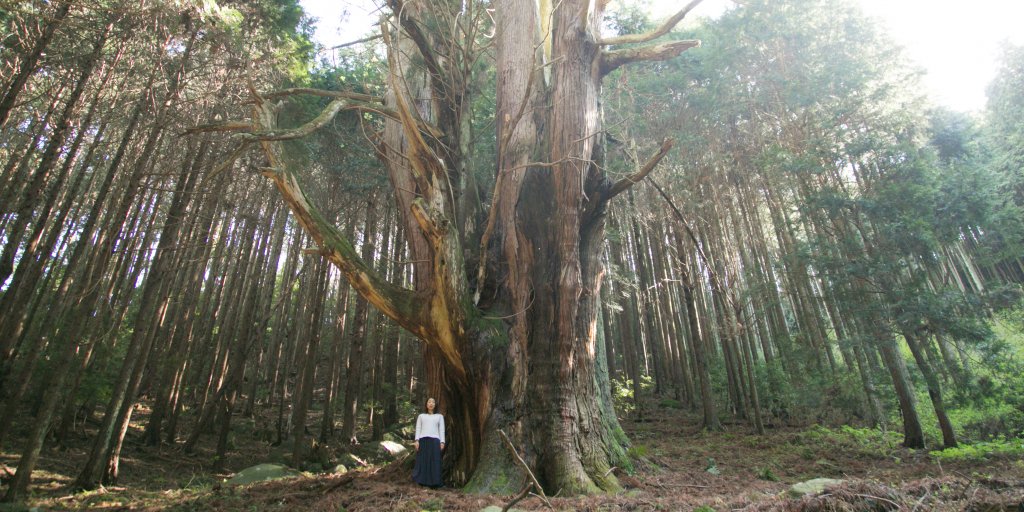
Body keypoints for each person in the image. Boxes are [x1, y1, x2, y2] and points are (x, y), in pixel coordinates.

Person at [412, 397, 445, 488]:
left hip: (435, 441)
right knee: (423, 461)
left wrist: (442, 442)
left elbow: (441, 430)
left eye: (433, 402)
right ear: (426, 404)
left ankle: (434, 482)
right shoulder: (421, 416)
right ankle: (422, 481)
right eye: (429, 402)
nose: (431, 404)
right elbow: (418, 428)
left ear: (435, 405)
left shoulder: (439, 416)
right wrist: (417, 440)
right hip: (423, 440)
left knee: (434, 461)